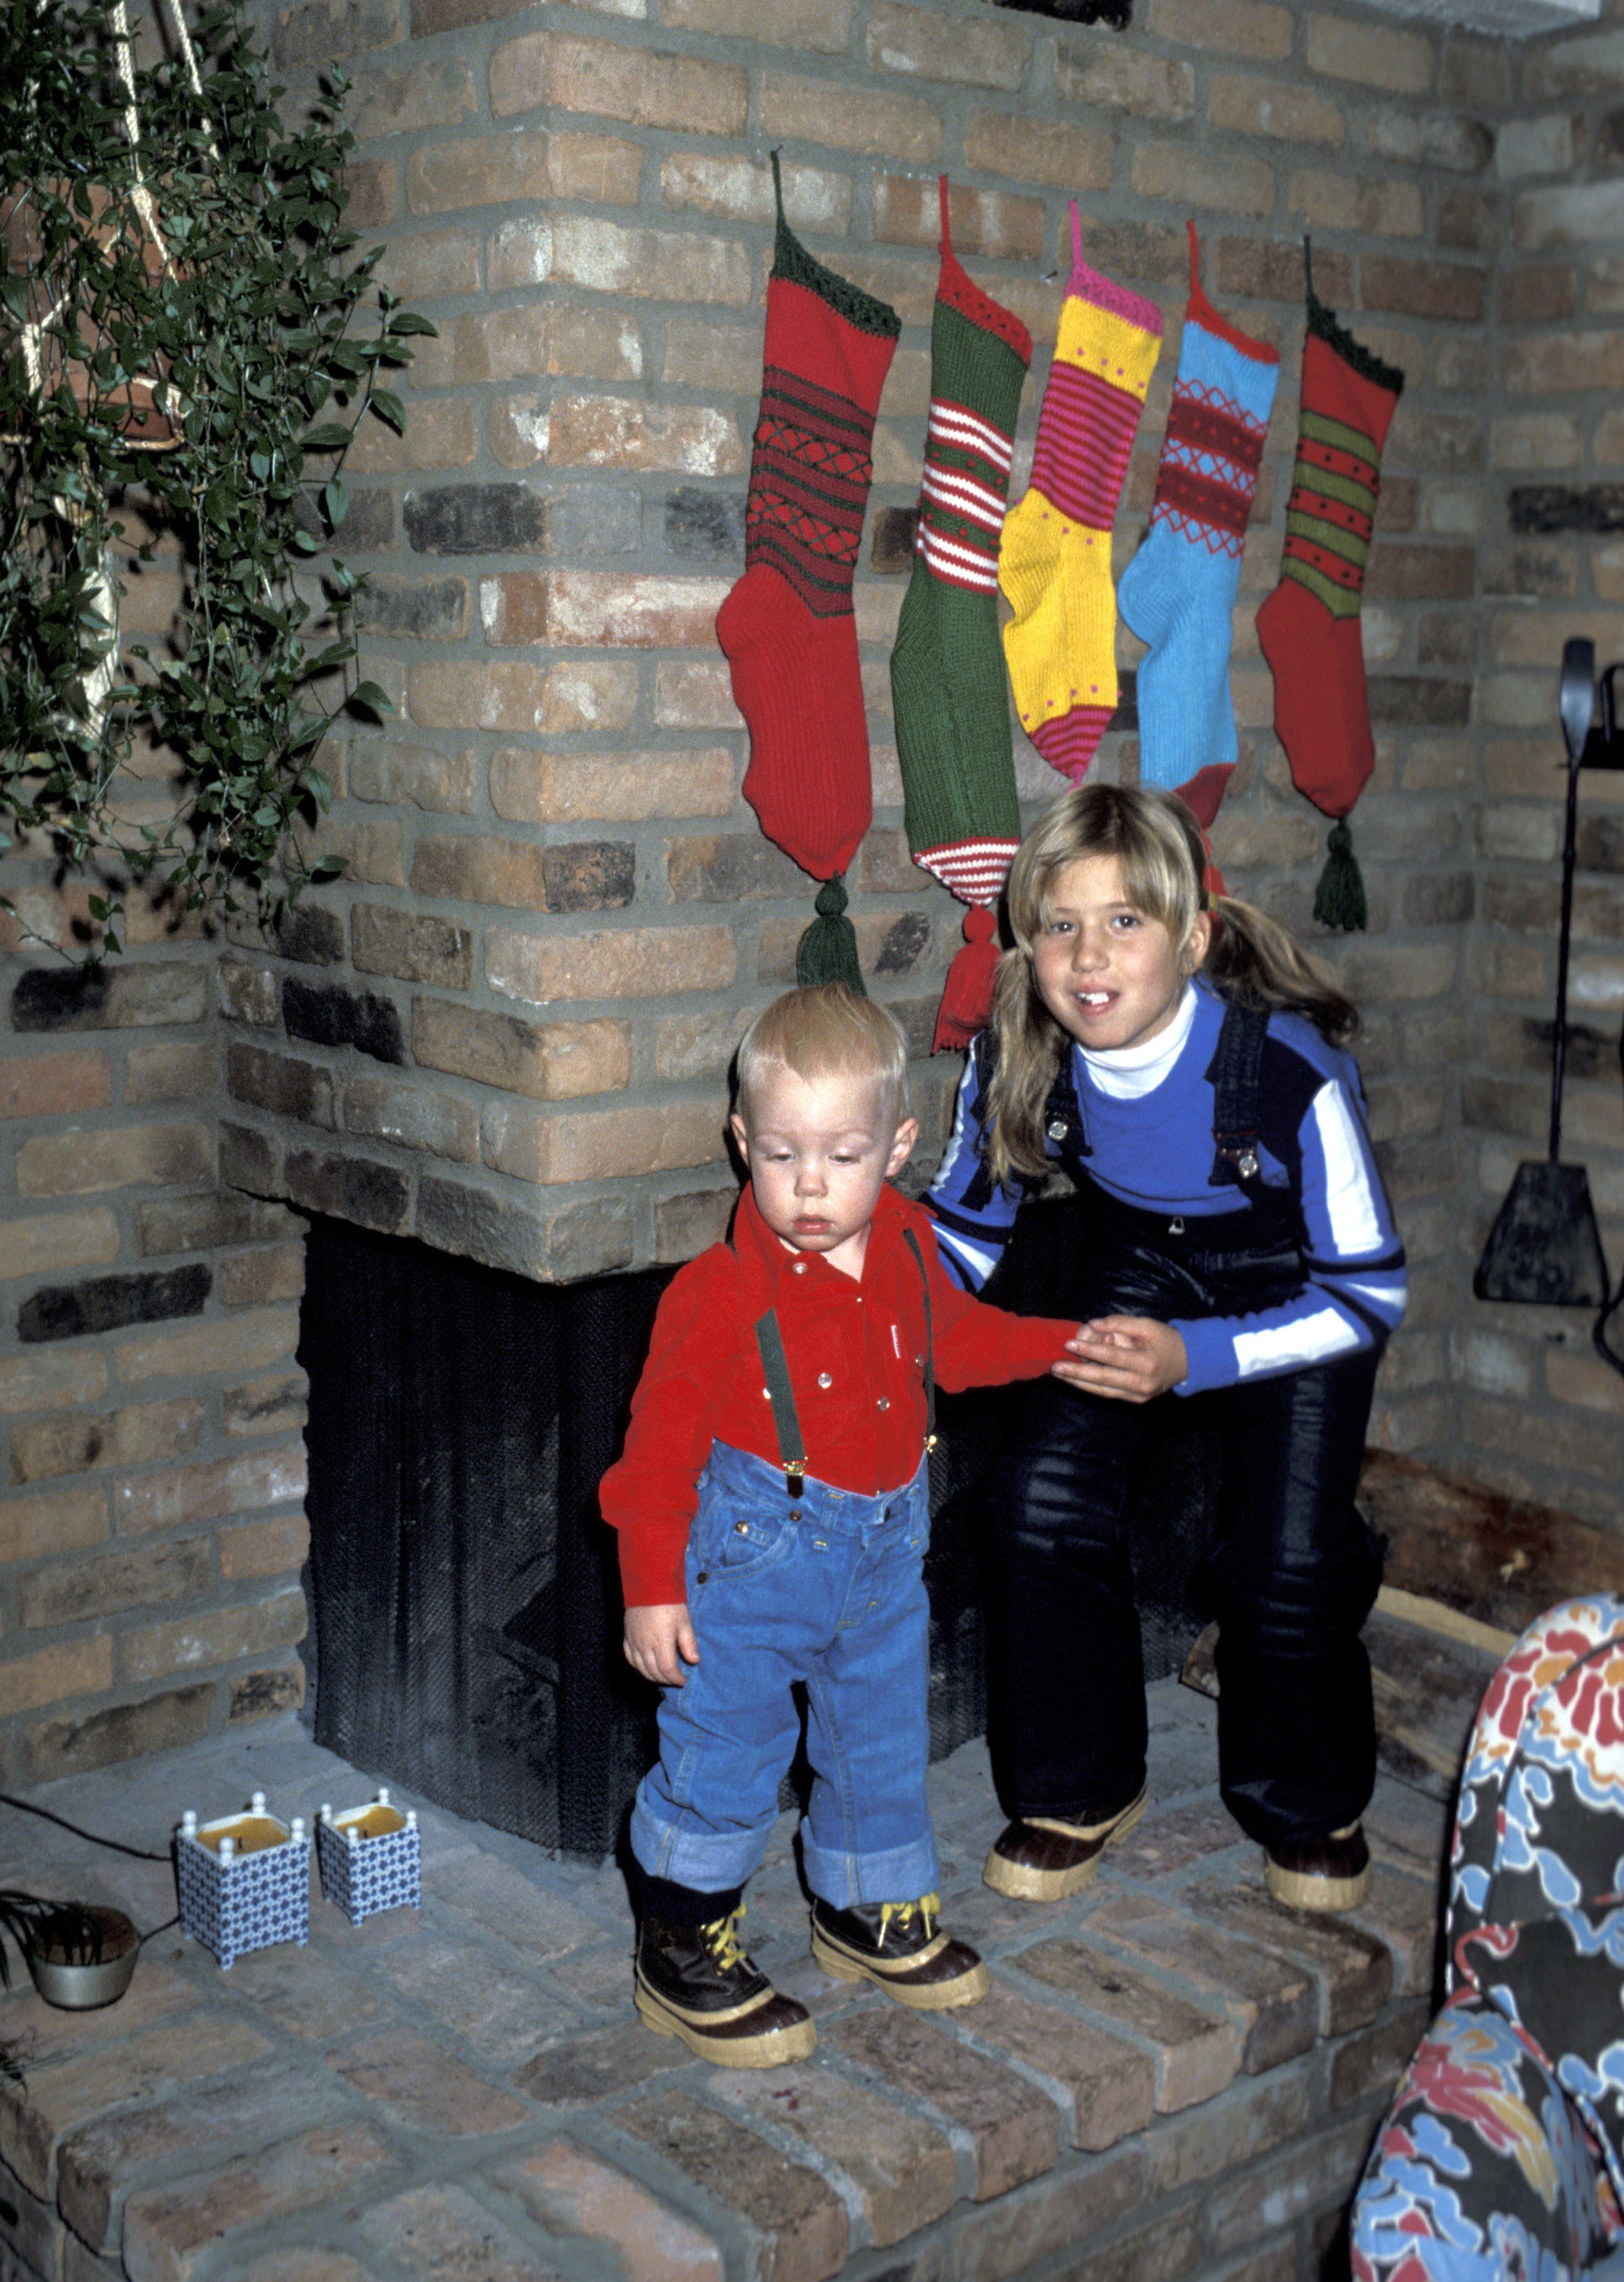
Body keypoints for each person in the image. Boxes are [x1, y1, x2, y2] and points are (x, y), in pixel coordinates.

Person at [926, 783, 1406, 1914]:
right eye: (1060, 924)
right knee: (1034, 1499)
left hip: (1296, 1288)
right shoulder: (1017, 1056)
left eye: (1126, 922)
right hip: (1142, 1258)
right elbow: (960, 1229)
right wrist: (864, 1331)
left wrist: (1193, 1358)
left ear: (1193, 939)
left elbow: (1369, 1295)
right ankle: (1081, 1784)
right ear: (1027, 941)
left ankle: (1309, 1800)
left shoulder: (1288, 1074)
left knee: (1284, 1562)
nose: (1089, 956)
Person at [602, 983, 1084, 2067]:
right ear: (743, 1144)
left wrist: (1064, 1345)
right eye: (781, 1156)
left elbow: (959, 1349)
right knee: (726, 1743)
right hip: (754, 1563)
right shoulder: (719, 1293)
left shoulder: (911, 1249)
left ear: (898, 1146)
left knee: (876, 1734)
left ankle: (863, 1911)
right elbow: (655, 1459)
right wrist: (650, 1585)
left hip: (881, 1560)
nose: (810, 1188)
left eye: (842, 1156)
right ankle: (679, 1946)